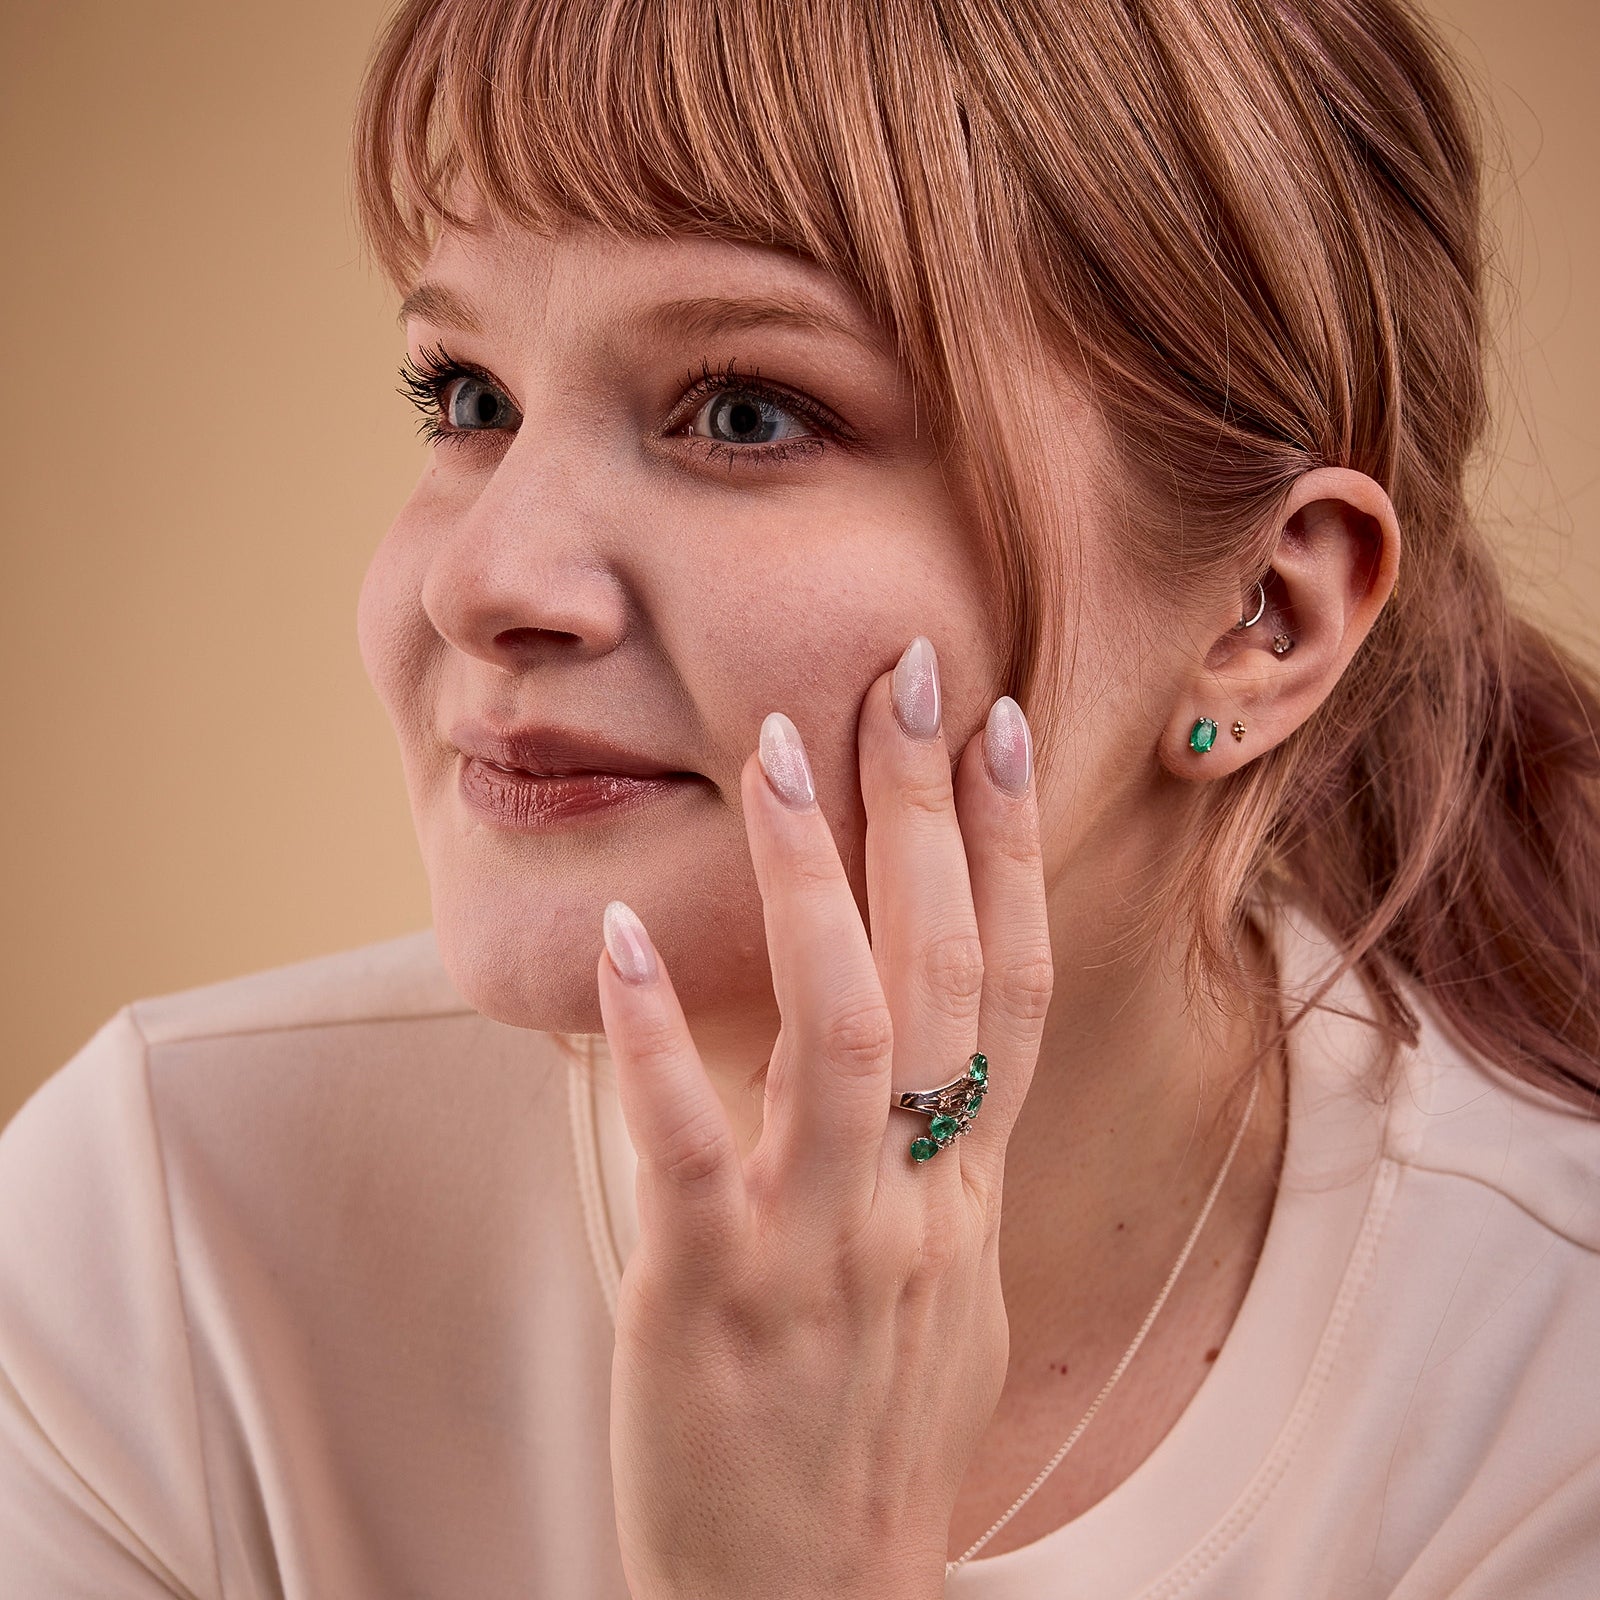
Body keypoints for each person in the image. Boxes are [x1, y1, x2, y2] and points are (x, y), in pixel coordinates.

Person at [2, 0, 1597, 1594]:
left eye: (747, 415)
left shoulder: (1551, 1390)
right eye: (471, 399)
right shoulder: (161, 1232)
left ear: (1265, 618)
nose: (481, 581)